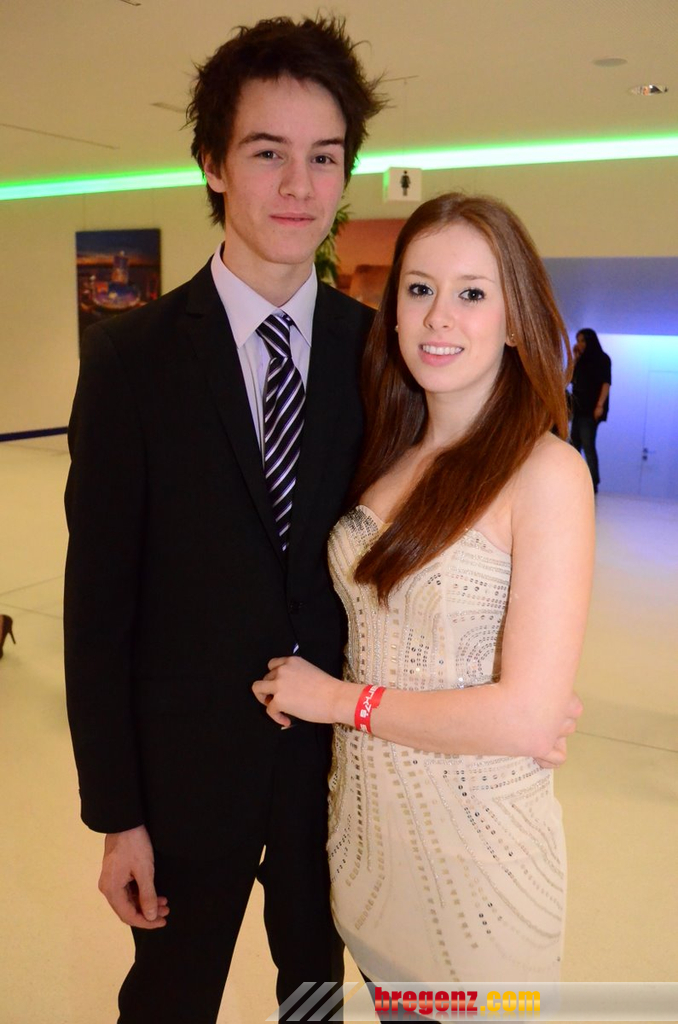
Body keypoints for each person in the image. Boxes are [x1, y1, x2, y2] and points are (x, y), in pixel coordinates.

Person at [64, 16, 384, 1024]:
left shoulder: (375, 355)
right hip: (182, 782)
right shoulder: (132, 361)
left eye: (324, 156)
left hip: (332, 779)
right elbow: (97, 611)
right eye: (267, 152)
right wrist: (117, 814)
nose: (299, 186)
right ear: (212, 163)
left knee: (315, 1001)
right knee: (168, 1002)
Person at [253, 193, 594, 989]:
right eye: (419, 289)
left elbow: (525, 717)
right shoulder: (385, 449)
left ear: (516, 320)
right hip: (370, 860)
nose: (439, 316)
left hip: (480, 876)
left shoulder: (546, 474)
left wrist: (335, 700)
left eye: (472, 292)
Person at [570, 327, 612, 493]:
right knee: (574, 445)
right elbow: (570, 378)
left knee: (588, 445)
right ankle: (572, 480)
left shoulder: (602, 359)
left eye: (582, 340)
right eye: (578, 340)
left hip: (591, 408)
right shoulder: (581, 360)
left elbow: (606, 383)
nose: (579, 344)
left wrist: (600, 405)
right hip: (578, 407)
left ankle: (593, 482)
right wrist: (575, 358)